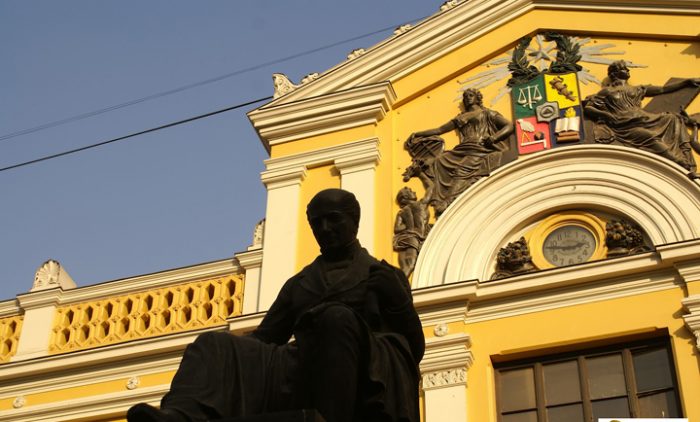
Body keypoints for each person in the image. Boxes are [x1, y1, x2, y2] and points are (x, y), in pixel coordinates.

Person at [127, 189, 425, 422]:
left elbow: (415, 347)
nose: (325, 228)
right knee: (212, 343)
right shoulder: (301, 282)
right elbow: (266, 338)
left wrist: (398, 302)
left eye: (333, 218)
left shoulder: (382, 274)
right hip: (299, 368)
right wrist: (233, 358)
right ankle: (182, 415)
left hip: (365, 374)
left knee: (335, 318)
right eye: (316, 222)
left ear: (353, 221)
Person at [584, 60, 700, 177]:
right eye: (623, 68)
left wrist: (686, 82)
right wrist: (607, 115)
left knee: (673, 118)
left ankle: (687, 159)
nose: (628, 70)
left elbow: (663, 89)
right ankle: (678, 162)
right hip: (624, 125)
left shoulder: (638, 89)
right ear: (613, 74)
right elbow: (589, 108)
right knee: (649, 136)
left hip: (645, 119)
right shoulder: (607, 91)